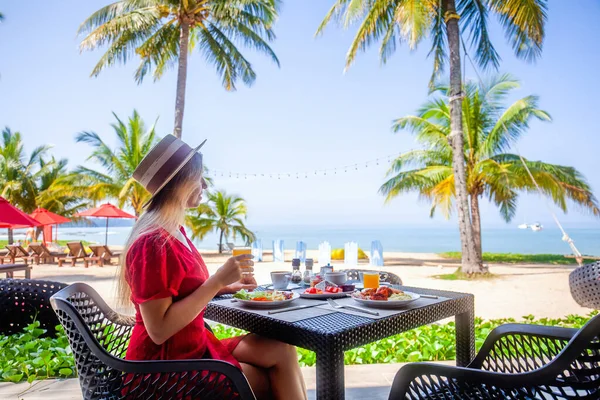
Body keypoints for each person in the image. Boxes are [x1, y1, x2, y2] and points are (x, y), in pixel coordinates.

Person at [118, 135, 307, 400]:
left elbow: (181, 293)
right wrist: (216, 282)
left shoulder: (174, 231)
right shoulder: (152, 244)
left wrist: (228, 286)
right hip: (165, 371)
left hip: (194, 348)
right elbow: (159, 331)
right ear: (180, 183)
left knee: (282, 349)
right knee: (265, 379)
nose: (204, 184)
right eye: (199, 177)